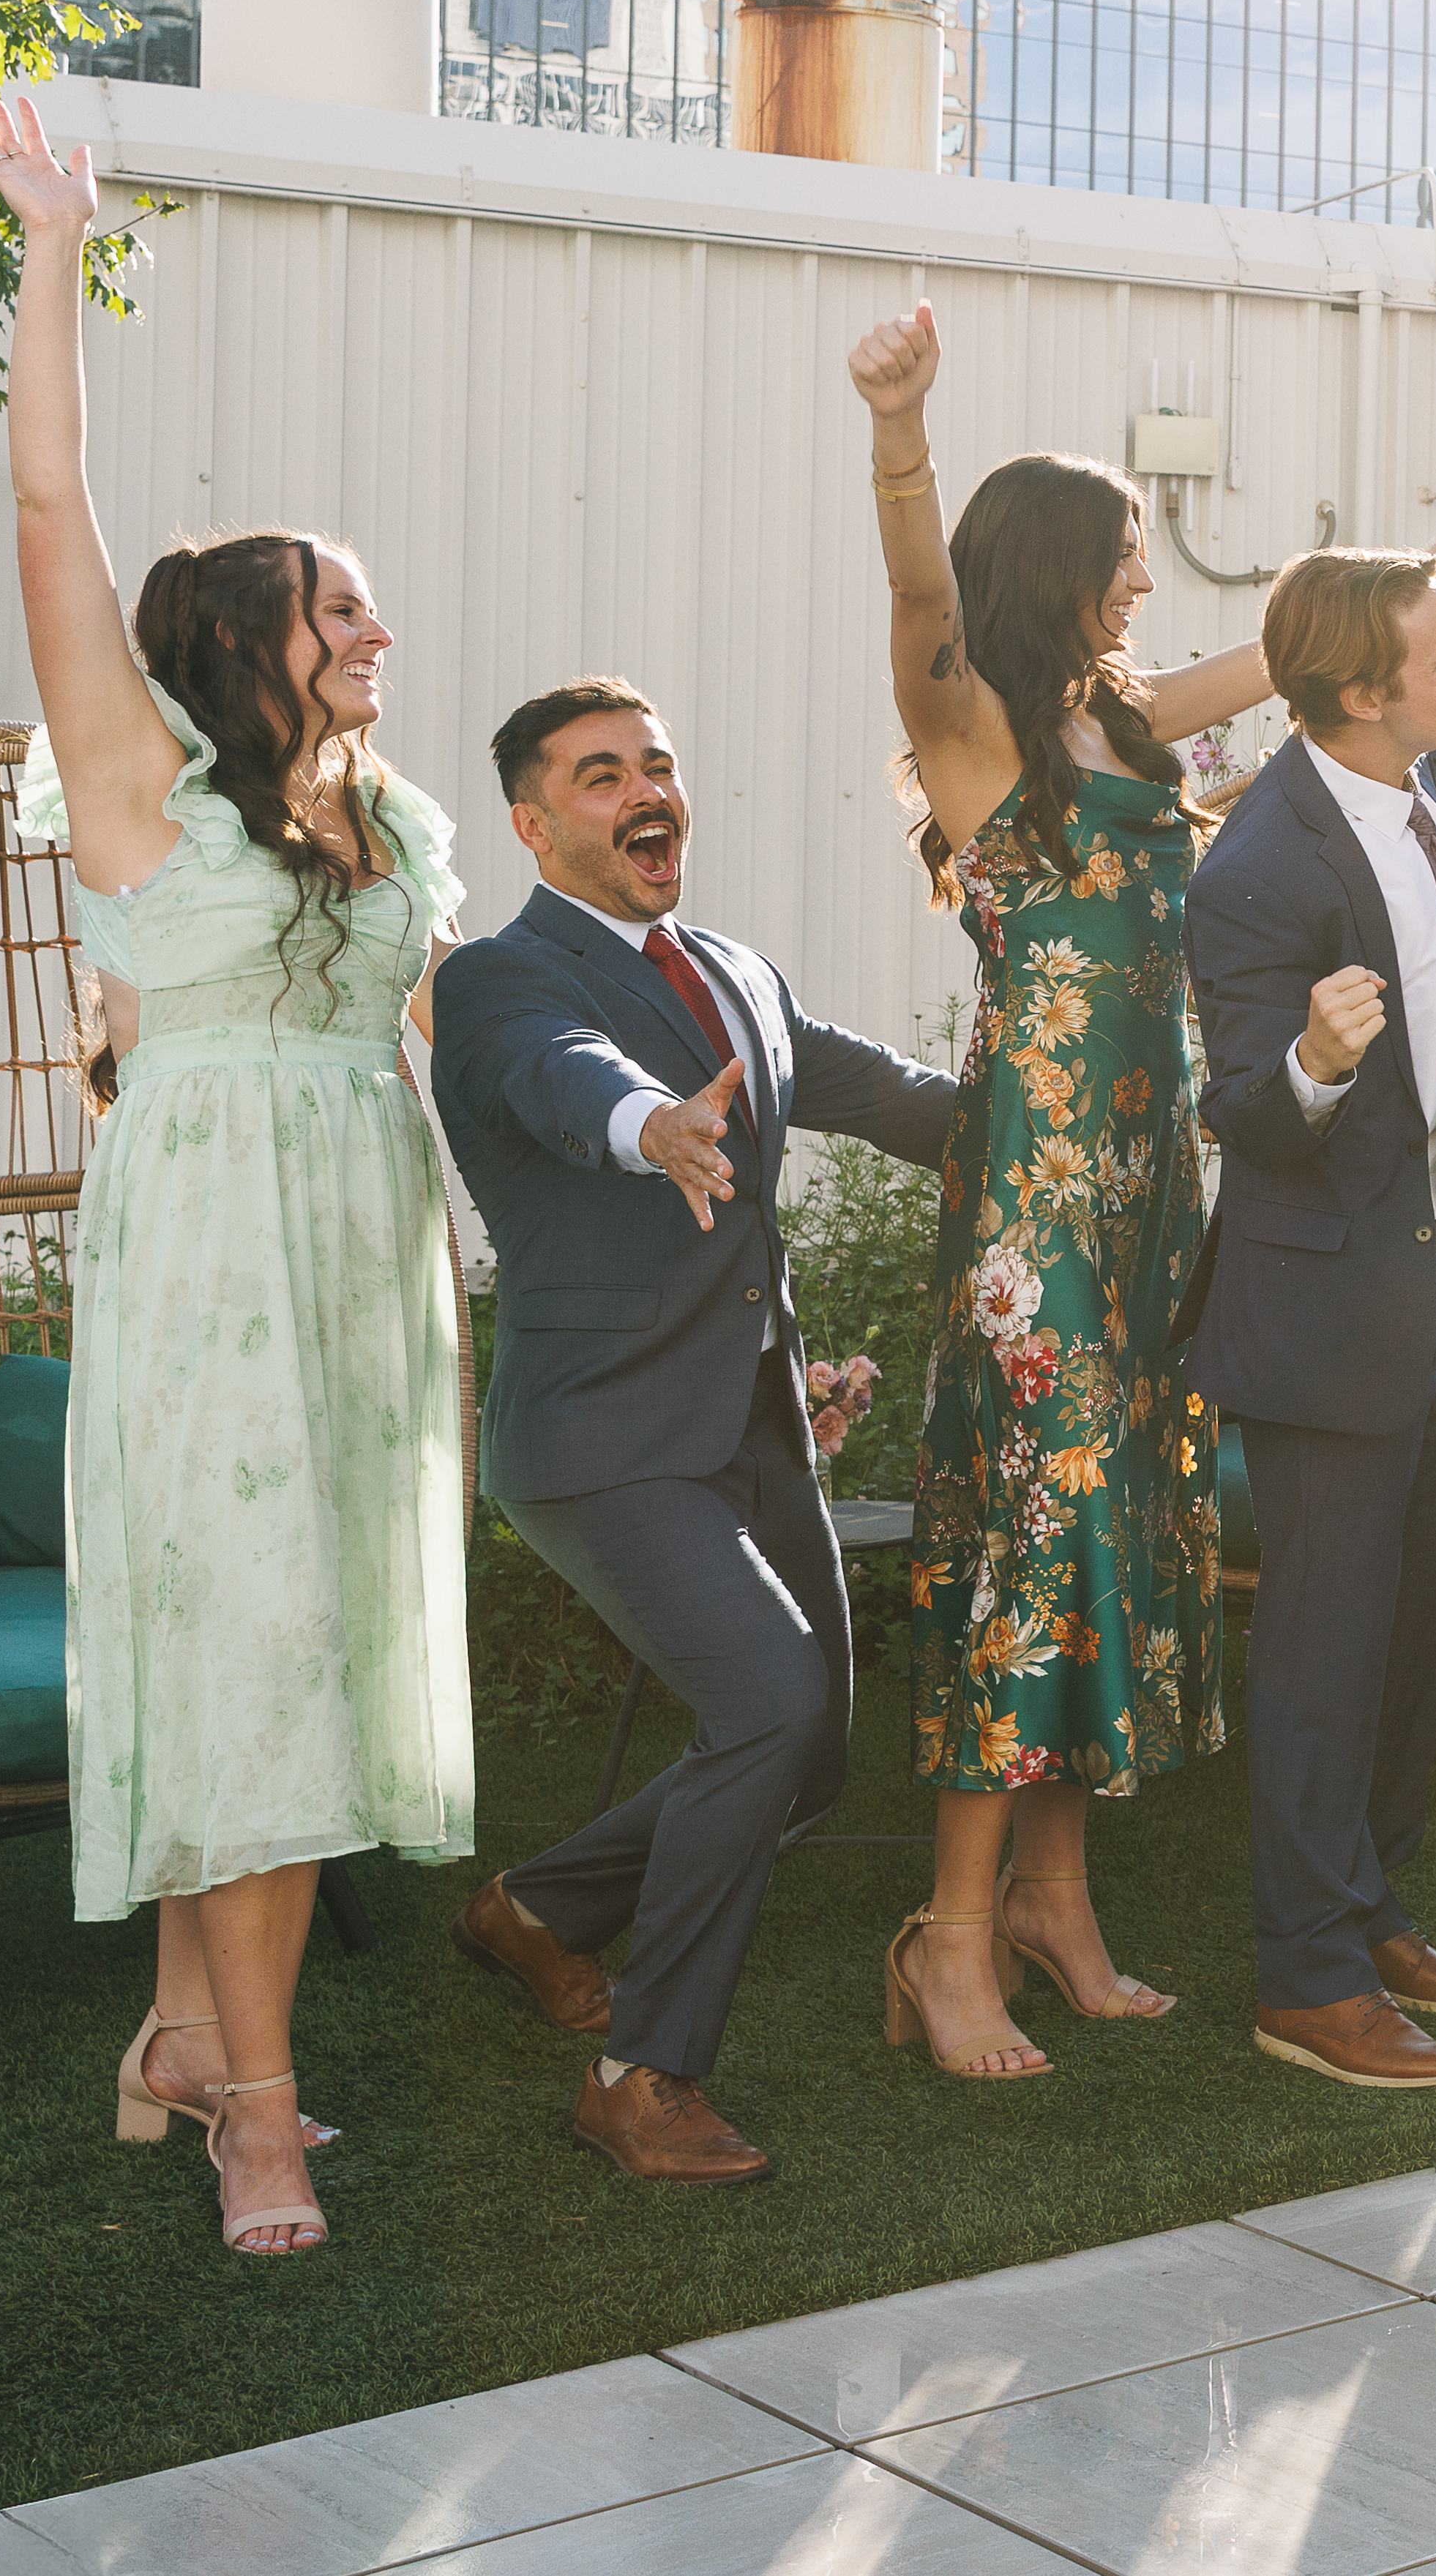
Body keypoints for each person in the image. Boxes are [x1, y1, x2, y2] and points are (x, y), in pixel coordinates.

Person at [845, 306, 1436, 2071]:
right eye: (1123, 552)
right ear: (1062, 566)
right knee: (1031, 1530)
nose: (1143, 572)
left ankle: (1058, 1902)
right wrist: (903, 426)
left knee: (1124, 1535)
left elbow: (1289, 679)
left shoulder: (1123, 724)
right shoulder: (974, 724)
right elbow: (918, 600)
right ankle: (947, 1937)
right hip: (1038, 1185)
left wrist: (1400, 600)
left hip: (1158, 1176)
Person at [0, 94, 470, 2261]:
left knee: (281, 1653)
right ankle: (258, 2112)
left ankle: (183, 2029)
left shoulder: (401, 830)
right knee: (245, 1651)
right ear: (253, 630)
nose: (375, 637)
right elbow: (52, 494)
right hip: (206, 1261)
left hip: (360, 1261)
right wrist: (52, 243)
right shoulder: (136, 791)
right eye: (342, 612)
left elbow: (432, 1054)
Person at [433, 684, 965, 2180]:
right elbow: (567, 1083)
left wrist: (1062, 1104)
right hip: (598, 1436)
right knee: (769, 1705)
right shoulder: (496, 979)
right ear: (535, 825)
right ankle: (641, 2073)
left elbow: (885, 1093)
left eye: (655, 763)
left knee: (807, 1753)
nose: (642, 789)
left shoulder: (731, 965)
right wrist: (652, 1123)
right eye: (599, 775)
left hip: (747, 1418)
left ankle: (534, 1908)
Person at [1186, 544, 1436, 2086]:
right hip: (1325, 1299)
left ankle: (1371, 1906)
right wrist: (1318, 1066)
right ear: (1358, 692)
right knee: (1324, 1653)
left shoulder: (1417, 792)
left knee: (1410, 1639)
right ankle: (1307, 1976)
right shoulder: (1260, 863)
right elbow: (1240, 1109)